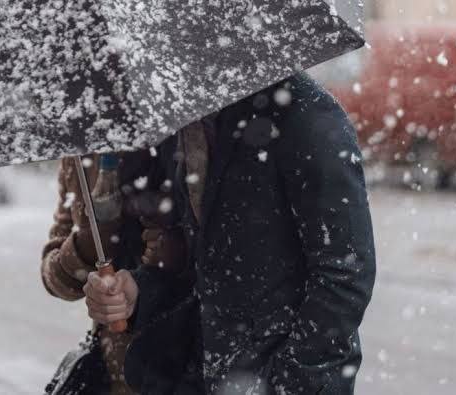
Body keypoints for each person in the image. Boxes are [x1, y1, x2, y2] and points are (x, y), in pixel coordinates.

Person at [84, 72, 377, 394]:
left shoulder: (305, 113)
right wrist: (139, 292)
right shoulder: (185, 124)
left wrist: (289, 379)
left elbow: (345, 275)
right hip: (208, 375)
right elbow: (202, 267)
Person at [41, 152, 187, 395]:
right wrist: (90, 241)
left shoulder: (176, 137)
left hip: (181, 362)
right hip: (112, 367)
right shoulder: (79, 154)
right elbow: (56, 279)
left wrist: (165, 253)